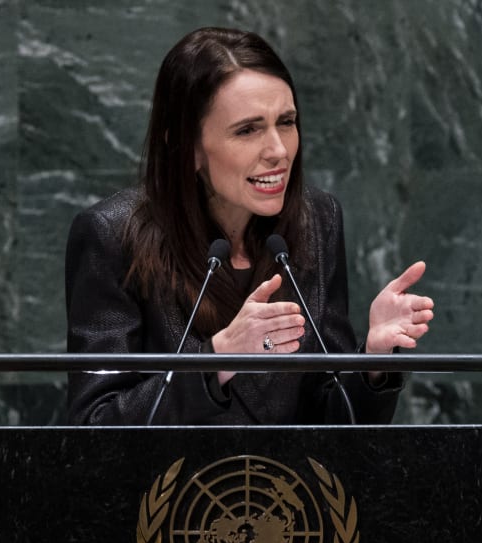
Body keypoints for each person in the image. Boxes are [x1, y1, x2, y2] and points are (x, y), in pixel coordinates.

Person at [65, 27, 434, 425]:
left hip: (287, 486)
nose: (278, 150)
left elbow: (332, 424)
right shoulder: (110, 234)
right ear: (186, 147)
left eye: (287, 122)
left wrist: (373, 361)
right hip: (173, 488)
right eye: (248, 130)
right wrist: (217, 361)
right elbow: (95, 427)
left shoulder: (317, 219)